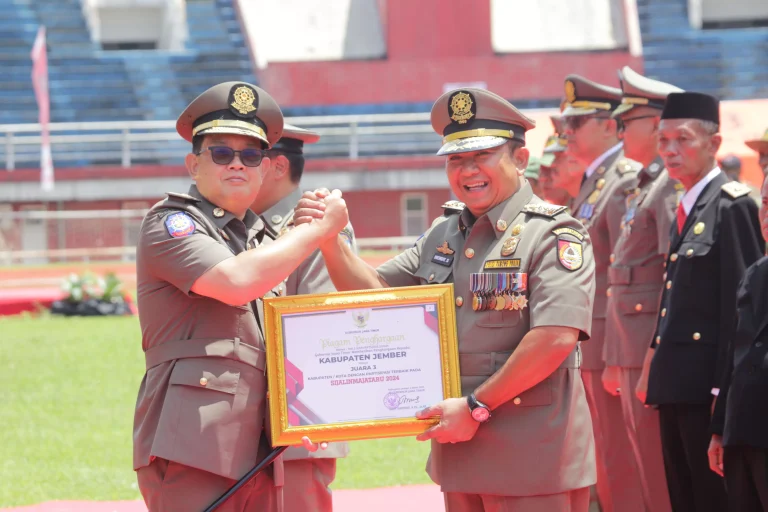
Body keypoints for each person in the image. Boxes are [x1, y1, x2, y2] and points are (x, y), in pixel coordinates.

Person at [298, 88, 597, 511]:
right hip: (459, 451)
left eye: (483, 156)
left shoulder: (552, 234)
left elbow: (555, 337)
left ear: (520, 159)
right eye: (457, 159)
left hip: (532, 456)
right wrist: (332, 242)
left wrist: (476, 407)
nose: (468, 170)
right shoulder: (444, 233)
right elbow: (378, 300)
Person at [132, 82, 348, 512]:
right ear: (194, 165)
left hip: (268, 448)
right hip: (196, 445)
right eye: (221, 153)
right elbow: (235, 281)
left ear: (265, 167)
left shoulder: (264, 238)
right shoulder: (172, 223)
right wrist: (314, 231)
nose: (238, 164)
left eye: (251, 155)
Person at [636, 91, 764, 512]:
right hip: (676, 385)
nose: (670, 151)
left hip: (705, 392)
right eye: (663, 140)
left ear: (713, 144)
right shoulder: (690, 205)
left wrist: (720, 395)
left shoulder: (732, 206)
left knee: (711, 500)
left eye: (683, 140)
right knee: (684, 497)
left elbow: (742, 313)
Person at [249, 124, 355, 512]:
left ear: (278, 167)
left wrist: (308, 421)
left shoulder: (315, 223)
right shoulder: (241, 225)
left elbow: (320, 330)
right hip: (246, 423)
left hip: (299, 423)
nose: (237, 168)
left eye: (250, 157)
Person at [561, 74, 645, 512]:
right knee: (603, 460)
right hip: (590, 342)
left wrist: (615, 351)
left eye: (576, 125)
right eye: (565, 125)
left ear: (610, 127)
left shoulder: (624, 179)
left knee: (619, 462)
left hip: (609, 343)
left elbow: (623, 273)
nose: (566, 133)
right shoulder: (597, 182)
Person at [602, 66, 682, 512]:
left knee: (659, 477)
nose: (618, 130)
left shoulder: (667, 186)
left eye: (626, 121)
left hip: (650, 349)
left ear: (654, 125)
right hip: (632, 349)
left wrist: (654, 352)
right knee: (646, 475)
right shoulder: (645, 185)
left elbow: (674, 275)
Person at [708, 173, 768, 511]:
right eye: (766, 204)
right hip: (745, 436)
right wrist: (719, 431)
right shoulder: (756, 274)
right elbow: (738, 356)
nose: (767, 215)